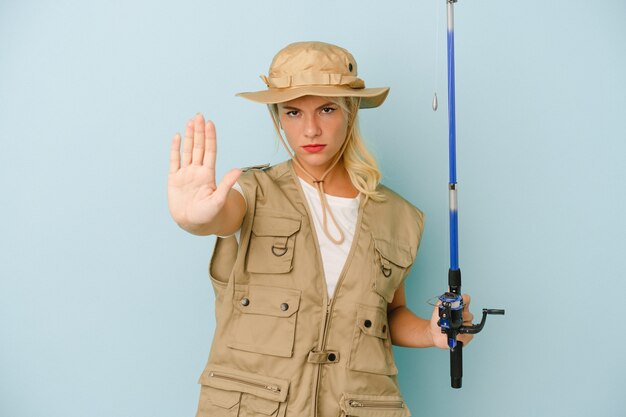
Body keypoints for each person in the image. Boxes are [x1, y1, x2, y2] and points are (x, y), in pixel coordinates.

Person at [168, 41, 474, 417]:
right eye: (293, 112)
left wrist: (431, 333)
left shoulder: (398, 216)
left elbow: (388, 315)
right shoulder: (253, 192)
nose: (310, 129)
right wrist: (195, 219)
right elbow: (223, 216)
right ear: (278, 116)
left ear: (350, 111)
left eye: (326, 109)